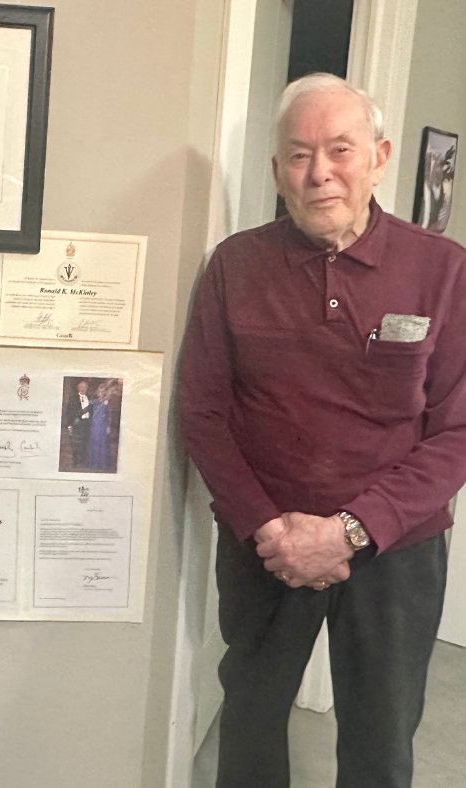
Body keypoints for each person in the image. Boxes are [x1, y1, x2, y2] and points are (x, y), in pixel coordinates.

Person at [178, 73, 466, 788]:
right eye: (299, 155)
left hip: (396, 550)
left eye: (340, 149)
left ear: (380, 156)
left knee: (381, 731)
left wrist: (351, 531)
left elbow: (459, 429)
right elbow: (204, 410)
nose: (319, 173)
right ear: (277, 171)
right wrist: (267, 528)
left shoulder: (443, 270)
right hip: (265, 544)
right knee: (249, 718)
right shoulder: (235, 266)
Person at [66, 380, 92, 467]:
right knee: (75, 444)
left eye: (85, 387)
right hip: (77, 423)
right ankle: (75, 461)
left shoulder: (90, 398)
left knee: (85, 442)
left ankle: (83, 461)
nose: (83, 388)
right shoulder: (73, 398)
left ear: (87, 388)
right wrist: (69, 425)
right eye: (81, 386)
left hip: (87, 423)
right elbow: (69, 412)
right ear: (78, 388)